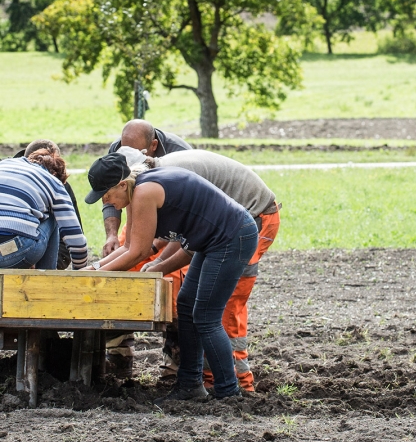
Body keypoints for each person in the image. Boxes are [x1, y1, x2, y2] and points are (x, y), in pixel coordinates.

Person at [84, 152, 258, 400]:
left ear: (121, 184)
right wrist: (93, 269)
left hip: (232, 236)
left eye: (107, 194)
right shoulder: (134, 192)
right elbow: (128, 246)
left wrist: (97, 278)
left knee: (206, 317)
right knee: (186, 304)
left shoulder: (144, 192)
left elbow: (138, 252)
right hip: (211, 239)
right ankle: (189, 384)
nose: (106, 201)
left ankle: (228, 392)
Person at [141, 149, 281, 391]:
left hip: (250, 219)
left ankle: (232, 387)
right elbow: (190, 235)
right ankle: (192, 383)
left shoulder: (168, 181)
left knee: (218, 308)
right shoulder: (162, 178)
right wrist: (158, 263)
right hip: (219, 231)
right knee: (188, 301)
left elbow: (195, 237)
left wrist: (159, 266)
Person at [103, 119, 192, 257]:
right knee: (121, 255)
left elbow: (188, 217)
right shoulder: (116, 150)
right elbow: (110, 195)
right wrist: (111, 235)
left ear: (154, 145)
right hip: (142, 212)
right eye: (125, 153)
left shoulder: (180, 153)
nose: (129, 158)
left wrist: (155, 250)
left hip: (176, 220)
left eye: (136, 155)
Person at [0, 154, 87, 270]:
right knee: (52, 216)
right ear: (55, 174)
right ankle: (47, 277)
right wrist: (79, 274)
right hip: (12, 251)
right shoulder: (54, 183)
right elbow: (78, 244)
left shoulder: (5, 165)